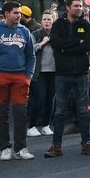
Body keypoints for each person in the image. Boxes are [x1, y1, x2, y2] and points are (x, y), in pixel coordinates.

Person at [0, 1, 36, 161]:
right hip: (0, 76)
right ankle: (5, 148)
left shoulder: (25, 32)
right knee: (2, 114)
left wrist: (29, 75)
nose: (19, 15)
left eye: (19, 13)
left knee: (21, 113)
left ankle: (21, 148)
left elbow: (31, 55)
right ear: (6, 14)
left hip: (21, 77)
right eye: (16, 13)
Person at [44, 0, 90, 158]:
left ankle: (86, 144)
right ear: (67, 7)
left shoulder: (86, 24)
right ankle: (56, 146)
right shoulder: (58, 24)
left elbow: (89, 45)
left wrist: (66, 47)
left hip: (82, 73)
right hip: (62, 74)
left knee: (83, 111)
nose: (79, 8)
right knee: (60, 111)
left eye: (80, 6)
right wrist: (76, 42)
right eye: (76, 6)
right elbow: (55, 43)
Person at [28, 10, 56, 138]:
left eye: (49, 19)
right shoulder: (35, 34)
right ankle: (31, 126)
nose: (47, 22)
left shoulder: (57, 34)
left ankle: (46, 125)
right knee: (39, 100)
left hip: (54, 72)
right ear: (41, 21)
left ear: (53, 21)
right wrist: (42, 43)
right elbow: (29, 50)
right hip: (39, 73)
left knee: (50, 100)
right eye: (44, 19)